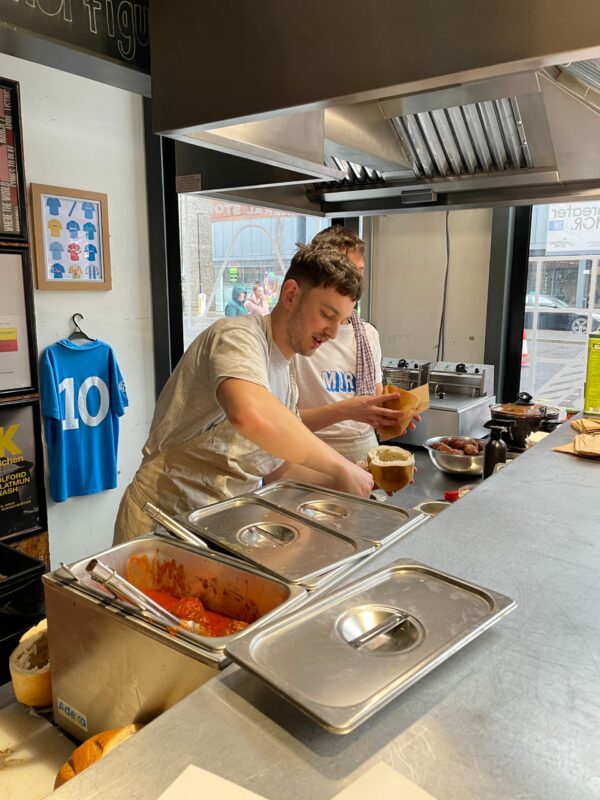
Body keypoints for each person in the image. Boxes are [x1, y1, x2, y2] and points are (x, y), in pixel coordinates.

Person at [113, 245, 374, 544]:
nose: (333, 333)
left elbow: (277, 469)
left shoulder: (287, 372)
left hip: (219, 528)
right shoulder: (236, 335)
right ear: (290, 295)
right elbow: (249, 413)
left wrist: (347, 479)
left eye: (341, 322)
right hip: (161, 522)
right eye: (327, 315)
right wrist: (339, 465)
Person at [295, 225, 410, 464]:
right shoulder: (298, 337)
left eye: (359, 271)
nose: (355, 281)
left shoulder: (368, 334)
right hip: (312, 450)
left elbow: (375, 397)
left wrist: (393, 415)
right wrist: (347, 410)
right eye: (345, 269)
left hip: (365, 450)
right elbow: (280, 421)